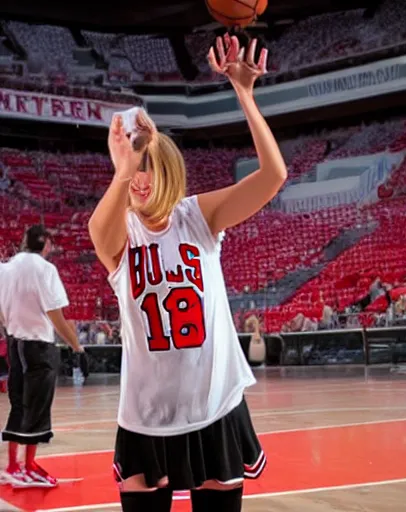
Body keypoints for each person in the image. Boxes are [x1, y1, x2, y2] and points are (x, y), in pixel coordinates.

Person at [88, 34, 286, 512]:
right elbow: (99, 232)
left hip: (214, 405)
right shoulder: (119, 232)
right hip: (146, 418)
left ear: (170, 171)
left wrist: (245, 95)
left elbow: (273, 175)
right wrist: (123, 167)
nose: (139, 178)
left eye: (148, 168)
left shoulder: (197, 216)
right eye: (134, 168)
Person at [0, 225, 83, 487]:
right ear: (45, 242)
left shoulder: (6, 268)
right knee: (37, 407)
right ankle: (28, 467)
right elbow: (55, 314)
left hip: (15, 343)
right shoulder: (45, 269)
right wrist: (76, 347)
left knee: (18, 404)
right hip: (38, 345)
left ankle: (13, 465)